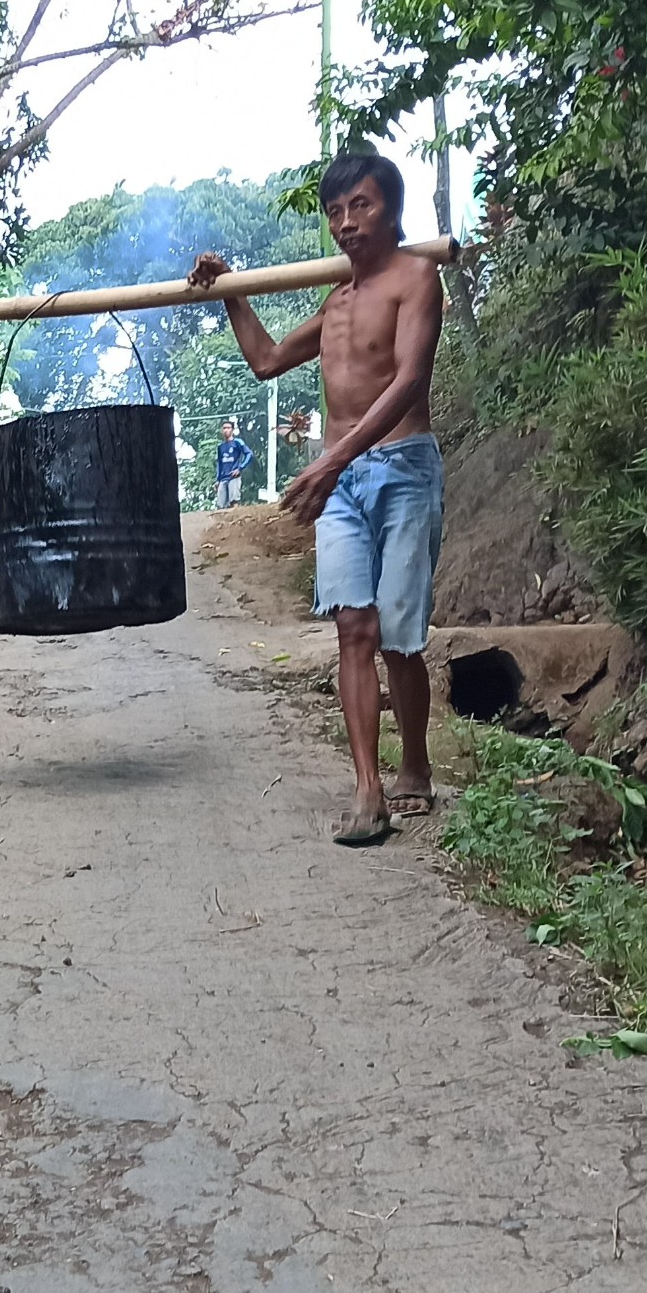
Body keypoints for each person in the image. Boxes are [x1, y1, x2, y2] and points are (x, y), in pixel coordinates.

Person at [190, 152, 446, 846]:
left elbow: (408, 382)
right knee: (353, 629)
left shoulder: (417, 277)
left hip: (400, 467)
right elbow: (266, 360)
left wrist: (330, 457)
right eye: (335, 212)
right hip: (340, 482)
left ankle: (414, 766)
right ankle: (367, 787)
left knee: (397, 637)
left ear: (391, 209)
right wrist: (229, 293)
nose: (346, 223)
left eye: (359, 206)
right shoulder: (334, 300)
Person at [214, 418, 253, 508]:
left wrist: (240, 468)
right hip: (223, 478)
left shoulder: (237, 442)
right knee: (220, 504)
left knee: (234, 501)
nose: (226, 430)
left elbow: (249, 454)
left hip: (233, 477)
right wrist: (218, 480)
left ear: (232, 430)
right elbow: (219, 463)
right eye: (224, 428)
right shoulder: (220, 446)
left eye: (228, 428)